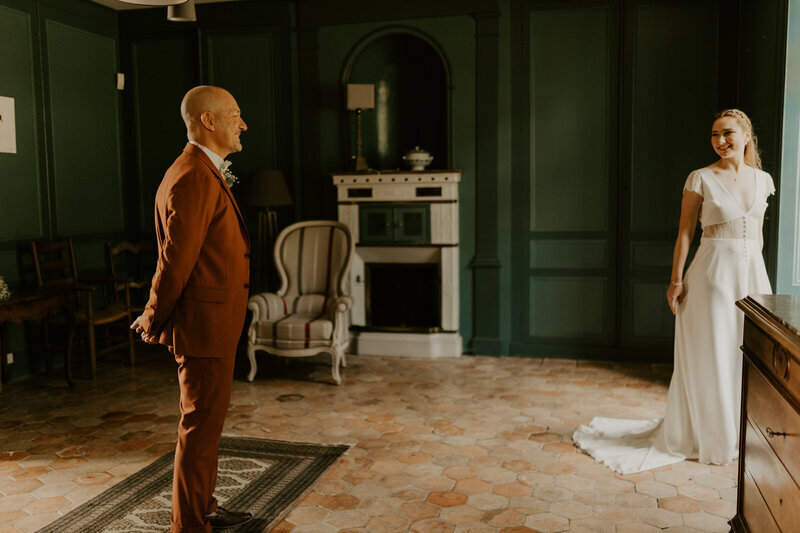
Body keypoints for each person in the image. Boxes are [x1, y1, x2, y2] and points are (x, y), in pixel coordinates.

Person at [573, 109, 775, 474]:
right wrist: (676, 280)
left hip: (752, 279)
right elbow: (684, 232)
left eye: (727, 133)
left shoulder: (763, 181)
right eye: (714, 134)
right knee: (712, 356)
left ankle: (742, 437)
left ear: (746, 134)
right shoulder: (701, 178)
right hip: (710, 279)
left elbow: (756, 236)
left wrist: (761, 281)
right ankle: (711, 439)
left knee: (742, 358)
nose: (720, 141)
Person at [130, 85, 252, 531]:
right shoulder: (193, 176)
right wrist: (152, 315)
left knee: (206, 427)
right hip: (204, 327)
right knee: (199, 429)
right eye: (235, 115)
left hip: (214, 324)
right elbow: (175, 261)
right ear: (208, 121)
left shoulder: (202, 170)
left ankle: (203, 507)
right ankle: (189, 525)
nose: (243, 124)